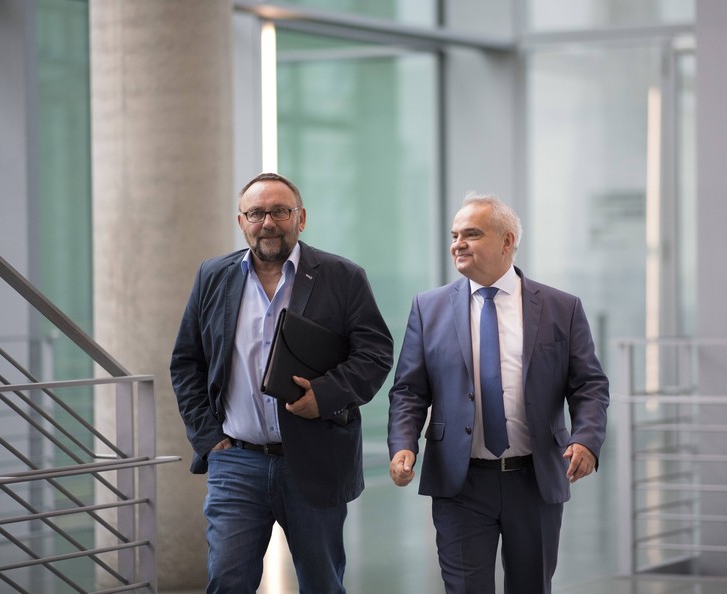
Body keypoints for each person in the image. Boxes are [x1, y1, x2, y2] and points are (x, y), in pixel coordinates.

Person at [170, 172, 394, 594]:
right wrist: (209, 438)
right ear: (241, 221)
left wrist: (323, 397)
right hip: (236, 460)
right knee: (227, 580)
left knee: (322, 583)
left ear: (301, 218)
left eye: (279, 211)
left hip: (315, 457)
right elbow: (186, 362)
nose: (268, 222)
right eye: (256, 213)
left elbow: (375, 354)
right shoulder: (213, 276)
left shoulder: (342, 277)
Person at [387, 193, 609, 594]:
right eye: (455, 235)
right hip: (460, 482)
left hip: (535, 479)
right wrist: (403, 445)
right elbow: (409, 390)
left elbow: (589, 385)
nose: (458, 243)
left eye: (472, 233)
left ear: (507, 241)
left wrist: (587, 440)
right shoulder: (428, 308)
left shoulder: (562, 307)